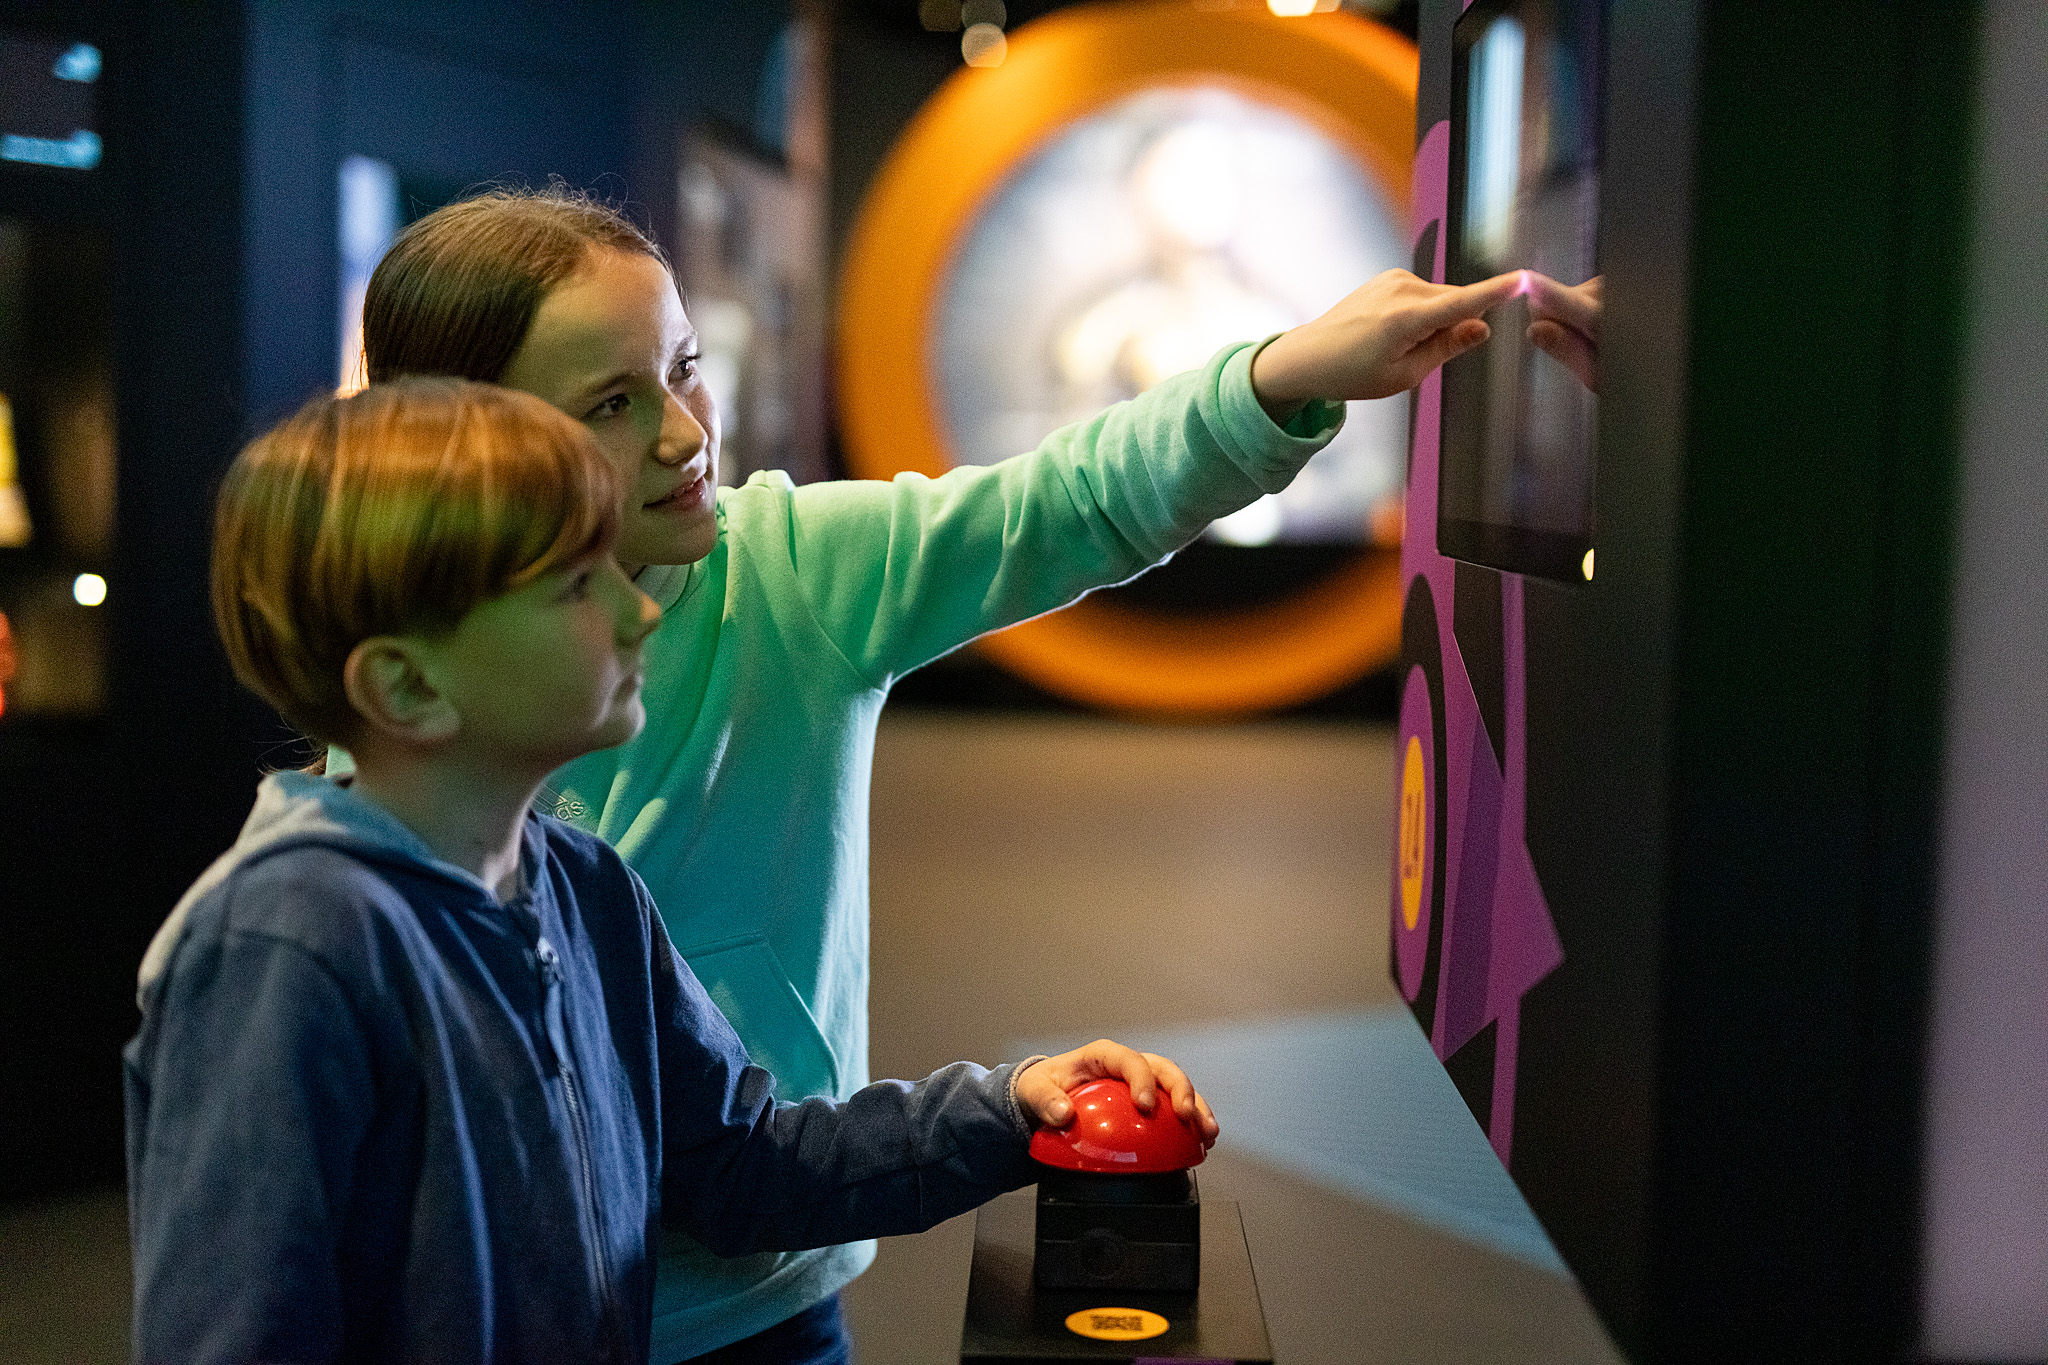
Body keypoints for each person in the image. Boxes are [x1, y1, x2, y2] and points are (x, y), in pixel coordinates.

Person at [353, 185, 1522, 1362]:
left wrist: (1277, 378)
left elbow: (1066, 503)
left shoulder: (788, 573)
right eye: (610, 402)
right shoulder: (386, 731)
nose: (680, 431)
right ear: (465, 441)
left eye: (685, 369)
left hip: (754, 1293)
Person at [125, 379, 1218, 1365]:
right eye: (574, 587)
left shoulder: (584, 889)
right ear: (407, 687)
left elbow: (744, 1165)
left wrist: (1009, 1107)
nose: (640, 610)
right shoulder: (286, 948)